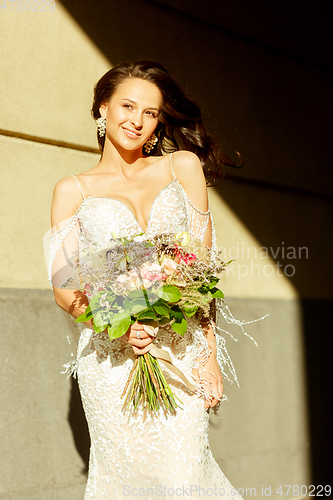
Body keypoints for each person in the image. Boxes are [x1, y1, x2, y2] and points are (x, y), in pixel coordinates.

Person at [48, 60, 243, 499]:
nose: (136, 120)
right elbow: (64, 286)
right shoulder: (72, 190)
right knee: (126, 484)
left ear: (158, 123)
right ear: (103, 108)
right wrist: (117, 319)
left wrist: (208, 355)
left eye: (150, 113)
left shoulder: (182, 167)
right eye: (127, 106)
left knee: (183, 477)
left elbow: (201, 267)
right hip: (111, 361)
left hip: (180, 349)